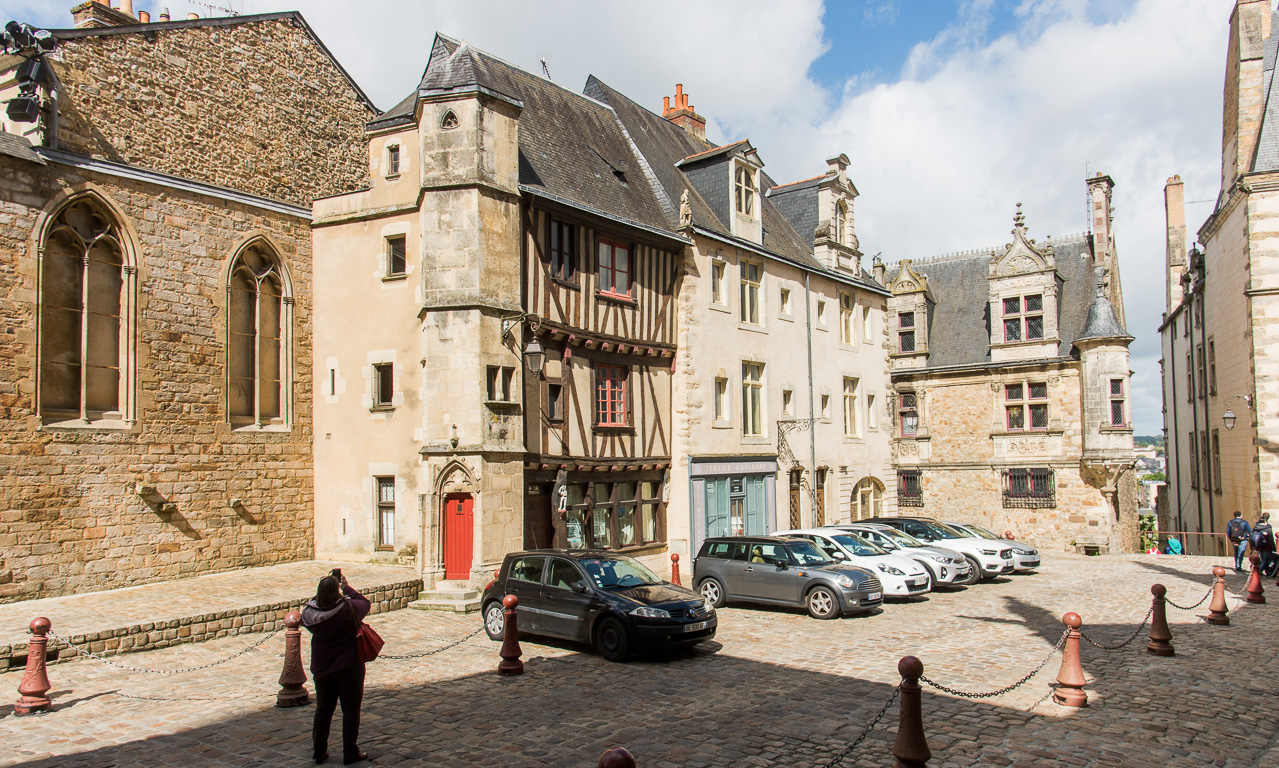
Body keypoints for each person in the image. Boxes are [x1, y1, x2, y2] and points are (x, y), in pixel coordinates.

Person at [302, 571, 370, 765]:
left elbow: (311, 606)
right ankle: (350, 751)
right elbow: (364, 603)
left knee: (323, 710)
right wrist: (345, 587)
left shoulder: (309, 614)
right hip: (349, 667)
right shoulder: (347, 609)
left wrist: (322, 591)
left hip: (323, 668)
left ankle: (319, 751)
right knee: (350, 710)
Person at [1253, 513, 1276, 577]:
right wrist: (1274, 547)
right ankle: (1258, 572)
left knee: (1262, 559)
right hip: (1267, 546)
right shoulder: (1267, 528)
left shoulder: (1256, 527)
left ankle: (1262, 571)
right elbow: (1270, 539)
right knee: (1265, 560)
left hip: (1259, 546)